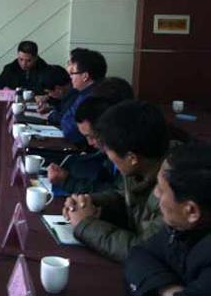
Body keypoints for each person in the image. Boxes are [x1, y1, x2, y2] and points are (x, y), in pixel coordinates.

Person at [63, 100, 169, 262]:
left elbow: (143, 251)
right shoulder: (142, 165)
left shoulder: (174, 189)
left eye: (109, 152)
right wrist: (91, 203)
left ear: (132, 158)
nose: (108, 157)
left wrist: (86, 224)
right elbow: (126, 200)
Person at [125, 142, 211, 296]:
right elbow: (139, 253)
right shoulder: (183, 227)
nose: (156, 194)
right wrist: (166, 289)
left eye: (161, 189)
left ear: (191, 211)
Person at [47, 96, 120, 194]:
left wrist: (67, 181)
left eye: (92, 137)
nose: (90, 143)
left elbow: (116, 195)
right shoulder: (105, 154)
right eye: (86, 137)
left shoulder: (123, 156)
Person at [60, 48, 107, 146]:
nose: (70, 77)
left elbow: (70, 130)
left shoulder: (91, 97)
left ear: (85, 76)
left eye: (73, 73)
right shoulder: (84, 92)